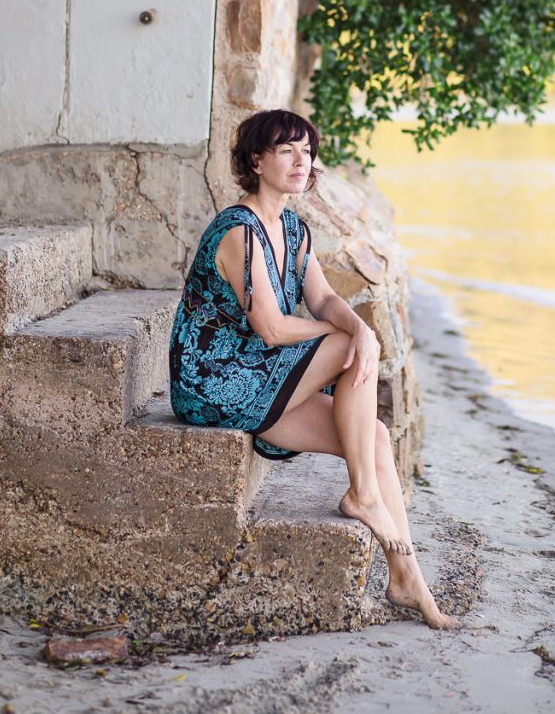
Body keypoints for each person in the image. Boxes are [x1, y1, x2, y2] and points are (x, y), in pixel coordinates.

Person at [169, 108, 456, 630]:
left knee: (372, 434)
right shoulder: (239, 230)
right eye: (286, 151)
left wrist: (362, 331)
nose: (301, 162)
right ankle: (362, 495)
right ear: (256, 161)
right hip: (213, 380)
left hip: (255, 378)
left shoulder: (294, 228)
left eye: (307, 151)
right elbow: (273, 329)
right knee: (346, 343)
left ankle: (405, 576)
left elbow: (322, 298)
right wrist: (349, 337)